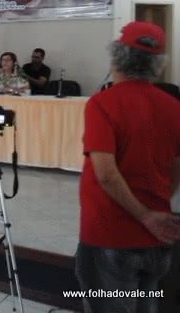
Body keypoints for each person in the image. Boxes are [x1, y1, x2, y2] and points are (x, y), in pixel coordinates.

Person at [75, 21, 180, 313]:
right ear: (157, 64)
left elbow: (107, 174)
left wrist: (144, 216)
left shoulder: (103, 103)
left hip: (110, 233)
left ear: (116, 57)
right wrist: (155, 209)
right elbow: (176, 166)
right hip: (158, 235)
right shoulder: (173, 106)